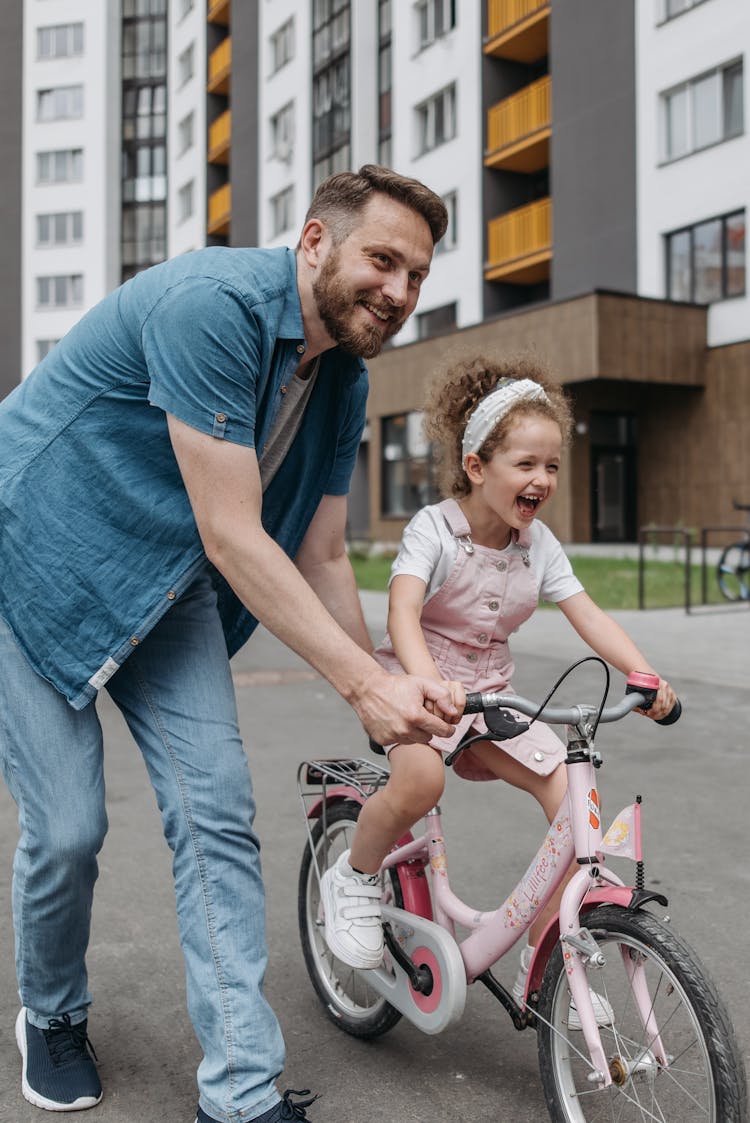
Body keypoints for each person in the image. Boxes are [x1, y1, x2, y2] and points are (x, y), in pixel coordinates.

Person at [0, 166, 463, 1123]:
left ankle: (241, 1096)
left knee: (216, 813)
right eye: (383, 258)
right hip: (29, 551)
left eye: (417, 273)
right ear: (313, 242)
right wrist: (364, 691)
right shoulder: (213, 306)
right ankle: (50, 1012)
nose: (401, 290)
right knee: (70, 825)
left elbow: (325, 550)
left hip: (163, 579)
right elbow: (234, 533)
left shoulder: (343, 381)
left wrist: (380, 692)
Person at [320, 356, 677, 1011]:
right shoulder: (435, 529)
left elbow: (586, 611)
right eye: (526, 464)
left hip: (491, 700)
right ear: (478, 467)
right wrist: (427, 686)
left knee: (576, 803)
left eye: (552, 466)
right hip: (418, 686)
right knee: (420, 781)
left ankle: (549, 958)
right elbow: (402, 611)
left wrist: (643, 673)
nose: (542, 479)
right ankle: (354, 876)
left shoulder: (537, 544)